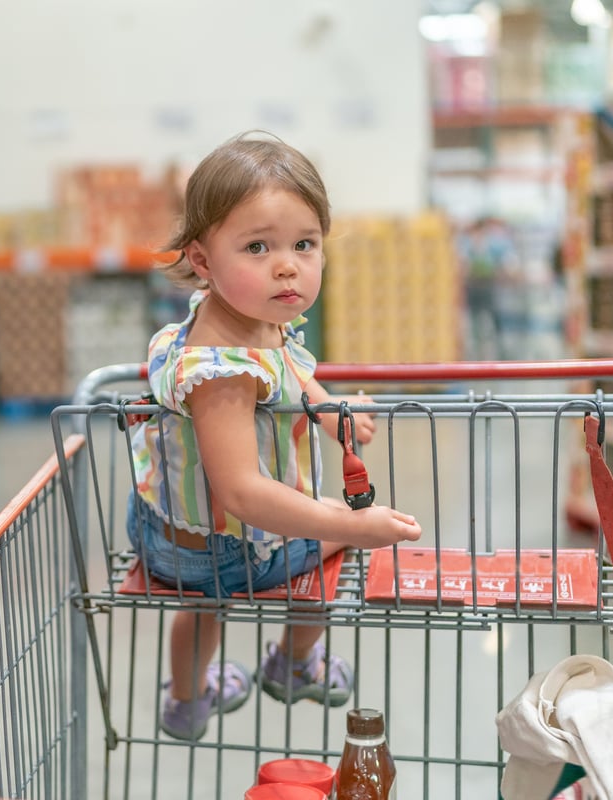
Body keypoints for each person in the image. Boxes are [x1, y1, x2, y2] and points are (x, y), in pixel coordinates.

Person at [128, 132, 422, 741]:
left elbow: (289, 372)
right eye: (257, 246)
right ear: (202, 260)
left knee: (202, 607)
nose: (287, 264)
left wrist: (329, 409)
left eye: (304, 244)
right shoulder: (222, 372)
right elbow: (240, 491)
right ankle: (292, 666)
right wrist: (346, 523)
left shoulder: (249, 316)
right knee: (332, 549)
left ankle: (188, 698)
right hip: (214, 549)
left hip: (174, 528)